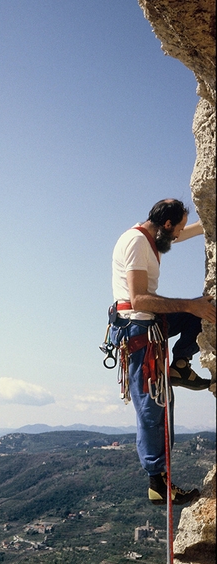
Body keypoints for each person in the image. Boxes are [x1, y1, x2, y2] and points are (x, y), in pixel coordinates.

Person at [109, 199, 216, 505]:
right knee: (152, 407)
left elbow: (181, 235)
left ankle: (180, 365)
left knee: (204, 311)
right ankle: (157, 483)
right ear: (166, 225)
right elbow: (140, 299)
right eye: (178, 228)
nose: (178, 235)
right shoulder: (135, 243)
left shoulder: (153, 237)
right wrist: (188, 304)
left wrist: (208, 222)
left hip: (149, 325)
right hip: (137, 329)